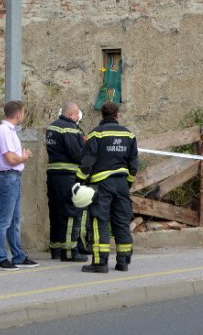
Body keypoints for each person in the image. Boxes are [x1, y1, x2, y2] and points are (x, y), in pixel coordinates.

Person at [77, 102, 139, 273]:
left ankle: (100, 262)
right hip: (121, 185)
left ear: (102, 115)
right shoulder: (129, 135)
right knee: (122, 222)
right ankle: (123, 262)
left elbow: (88, 162)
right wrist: (127, 183)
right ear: (117, 115)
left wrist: (79, 181)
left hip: (101, 185)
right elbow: (134, 165)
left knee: (99, 221)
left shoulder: (96, 134)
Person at [0, 100, 39, 270]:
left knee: (14, 220)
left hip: (13, 177)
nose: (23, 115)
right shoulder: (3, 131)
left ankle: (17, 256)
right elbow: (10, 159)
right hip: (7, 177)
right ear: (18, 114)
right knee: (4, 221)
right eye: (23, 112)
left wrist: (22, 155)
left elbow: (11, 156)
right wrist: (24, 157)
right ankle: (0, 258)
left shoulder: (8, 131)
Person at [45, 102, 88, 262]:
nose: (78, 118)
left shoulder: (52, 127)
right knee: (71, 212)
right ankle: (70, 252)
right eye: (77, 115)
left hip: (53, 174)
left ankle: (56, 249)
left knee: (56, 212)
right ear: (71, 115)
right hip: (68, 175)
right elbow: (76, 153)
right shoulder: (70, 128)